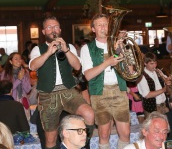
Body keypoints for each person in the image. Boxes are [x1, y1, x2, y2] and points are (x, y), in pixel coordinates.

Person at [29, 16, 94, 149]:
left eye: (55, 27)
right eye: (49, 27)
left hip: (68, 90)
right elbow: (33, 66)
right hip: (48, 94)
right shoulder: (38, 49)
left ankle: (82, 145)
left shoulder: (69, 46)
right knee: (51, 139)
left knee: (89, 114)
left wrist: (66, 49)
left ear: (60, 29)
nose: (53, 30)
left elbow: (77, 67)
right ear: (43, 32)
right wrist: (48, 52)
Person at [80, 13, 130, 149]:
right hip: (99, 93)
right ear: (93, 29)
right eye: (99, 25)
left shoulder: (118, 44)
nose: (103, 27)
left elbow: (130, 71)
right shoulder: (86, 48)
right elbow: (88, 76)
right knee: (103, 134)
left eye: (105, 24)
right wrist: (108, 62)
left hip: (119, 90)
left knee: (126, 133)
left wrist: (124, 51)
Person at [137, 52, 170, 118]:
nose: (154, 65)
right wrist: (164, 89)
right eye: (151, 63)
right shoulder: (142, 76)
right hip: (152, 109)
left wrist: (168, 80)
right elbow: (147, 95)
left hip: (163, 105)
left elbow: (166, 81)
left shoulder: (158, 71)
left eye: (155, 63)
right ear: (145, 63)